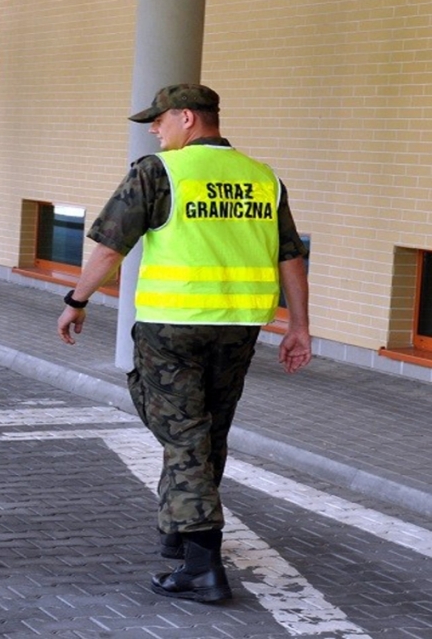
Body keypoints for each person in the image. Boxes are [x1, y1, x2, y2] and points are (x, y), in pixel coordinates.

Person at [57, 84, 311, 603]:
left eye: (160, 120)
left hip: (171, 327)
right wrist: (299, 326)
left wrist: (77, 300)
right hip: (238, 328)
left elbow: (111, 247)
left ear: (188, 119)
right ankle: (180, 527)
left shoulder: (160, 172)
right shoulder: (263, 178)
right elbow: (290, 257)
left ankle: (202, 563)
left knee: (185, 433)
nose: (155, 129)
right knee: (207, 431)